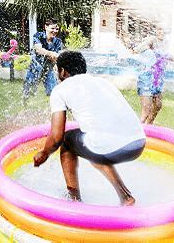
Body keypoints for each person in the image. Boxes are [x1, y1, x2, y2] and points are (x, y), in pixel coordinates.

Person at [33, 50, 146, 206]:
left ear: (63, 71)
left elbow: (56, 136)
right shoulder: (103, 82)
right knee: (92, 143)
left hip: (110, 145)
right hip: (138, 142)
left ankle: (73, 199)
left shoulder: (60, 90)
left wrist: (45, 153)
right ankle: (126, 197)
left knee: (68, 141)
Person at [131, 27, 172, 124]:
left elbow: (166, 57)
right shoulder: (151, 40)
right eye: (159, 29)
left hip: (157, 80)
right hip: (147, 79)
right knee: (146, 111)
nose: (161, 32)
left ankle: (148, 128)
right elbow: (137, 49)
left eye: (163, 30)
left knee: (158, 105)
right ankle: (138, 131)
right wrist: (151, 51)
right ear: (156, 31)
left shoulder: (165, 43)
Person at [22, 18, 63, 106]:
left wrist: (56, 62)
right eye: (52, 28)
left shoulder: (58, 42)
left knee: (54, 91)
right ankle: (24, 106)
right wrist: (51, 53)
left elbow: (56, 59)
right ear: (46, 27)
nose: (55, 31)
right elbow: (39, 49)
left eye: (57, 29)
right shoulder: (38, 36)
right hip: (35, 68)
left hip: (48, 70)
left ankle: (54, 111)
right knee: (28, 91)